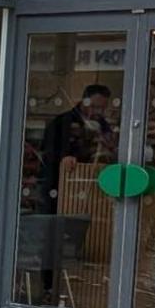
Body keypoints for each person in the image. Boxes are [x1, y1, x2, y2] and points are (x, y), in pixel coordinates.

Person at [37, 83, 116, 212]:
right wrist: (64, 158)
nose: (98, 112)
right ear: (84, 102)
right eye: (94, 107)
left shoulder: (103, 125)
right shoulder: (62, 122)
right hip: (61, 185)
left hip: (91, 186)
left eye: (102, 108)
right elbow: (48, 153)